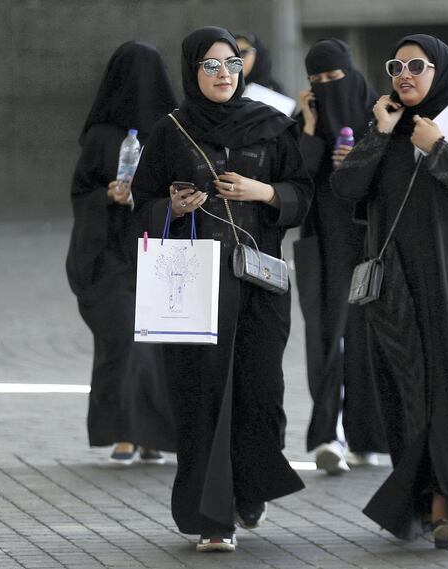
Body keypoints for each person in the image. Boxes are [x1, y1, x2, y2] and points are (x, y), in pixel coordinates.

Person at [132, 27, 312, 553]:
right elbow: (140, 207)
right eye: (210, 65)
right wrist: (172, 208)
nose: (223, 74)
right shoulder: (170, 132)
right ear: (191, 70)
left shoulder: (273, 125)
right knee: (203, 396)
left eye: (231, 63)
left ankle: (249, 486)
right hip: (194, 287)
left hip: (259, 284)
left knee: (261, 394)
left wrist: (266, 191)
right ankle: (214, 518)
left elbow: (304, 194)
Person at [331, 34, 448, 549]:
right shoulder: (384, 126)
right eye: (395, 66)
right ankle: (422, 497)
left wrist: (436, 149)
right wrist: (381, 136)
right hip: (396, 287)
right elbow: (346, 191)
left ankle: (444, 502)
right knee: (410, 389)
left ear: (440, 70)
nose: (403, 74)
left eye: (416, 65)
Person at [65, 41, 178, 465]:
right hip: (109, 253)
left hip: (158, 254)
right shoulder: (101, 137)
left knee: (154, 345)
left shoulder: (173, 132)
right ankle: (123, 432)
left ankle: (151, 436)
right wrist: (107, 196)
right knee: (124, 339)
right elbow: (81, 193)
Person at [294, 39, 387, 475]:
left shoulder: (381, 117)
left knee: (368, 340)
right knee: (325, 338)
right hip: (323, 247)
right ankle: (327, 434)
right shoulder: (304, 121)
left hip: (370, 247)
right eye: (317, 81)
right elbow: (294, 178)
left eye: (335, 78)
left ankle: (366, 436)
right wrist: (311, 127)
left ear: (351, 74)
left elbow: (394, 181)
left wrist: (362, 161)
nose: (328, 88)